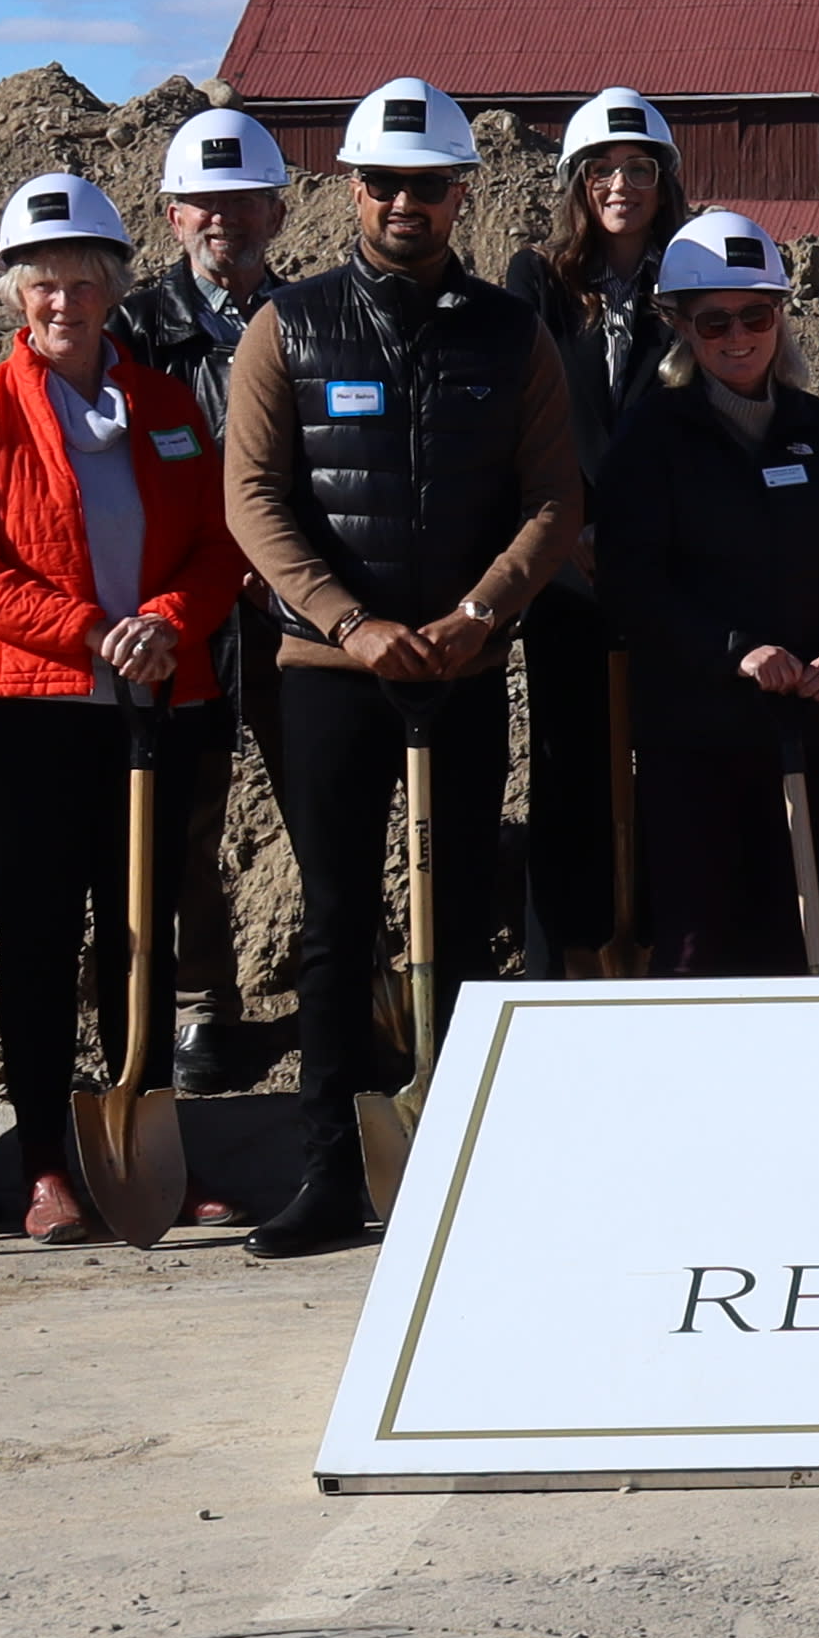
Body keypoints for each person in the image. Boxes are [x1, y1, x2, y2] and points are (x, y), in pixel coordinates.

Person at [225, 76, 584, 1257]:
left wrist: (482, 612)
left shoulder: (509, 333)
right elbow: (256, 500)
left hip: (466, 670)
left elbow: (550, 498)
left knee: (464, 916)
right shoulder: (289, 328)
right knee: (335, 923)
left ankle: (470, 1168)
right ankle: (330, 1170)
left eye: (426, 186)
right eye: (383, 183)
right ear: (350, 189)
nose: (403, 204)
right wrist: (350, 624)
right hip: (330, 675)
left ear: (458, 194)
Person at [0, 174, 249, 1241]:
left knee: (139, 933)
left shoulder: (161, 405)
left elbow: (217, 544)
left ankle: (143, 1141)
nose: (62, 301)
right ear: (17, 296)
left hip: (156, 706)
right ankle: (44, 1164)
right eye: (42, 284)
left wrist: (164, 618)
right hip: (30, 712)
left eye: (81, 282)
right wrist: (87, 630)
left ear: (114, 290)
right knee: (38, 936)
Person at [595, 211, 819, 973]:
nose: (737, 336)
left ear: (780, 314)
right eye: (713, 321)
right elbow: (635, 582)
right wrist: (734, 653)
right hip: (694, 743)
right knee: (700, 948)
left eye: (755, 315)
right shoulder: (652, 437)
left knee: (800, 941)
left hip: (809, 734)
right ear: (681, 327)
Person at [119, 100, 296, 1081]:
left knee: (322, 807)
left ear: (277, 210)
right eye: (201, 202)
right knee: (182, 814)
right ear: (174, 215)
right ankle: (200, 1010)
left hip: (297, 609)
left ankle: (349, 996)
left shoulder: (315, 317)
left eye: (240, 200)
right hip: (185, 612)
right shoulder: (135, 330)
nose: (221, 216)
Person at [506, 83, 685, 983]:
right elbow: (528, 416)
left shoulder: (687, 280)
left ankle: (656, 946)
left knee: (662, 765)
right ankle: (560, 962)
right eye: (604, 169)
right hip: (567, 574)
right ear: (578, 182)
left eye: (639, 168)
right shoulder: (538, 280)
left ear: (664, 181)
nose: (622, 184)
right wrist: (568, 522)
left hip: (662, 566)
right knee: (568, 768)